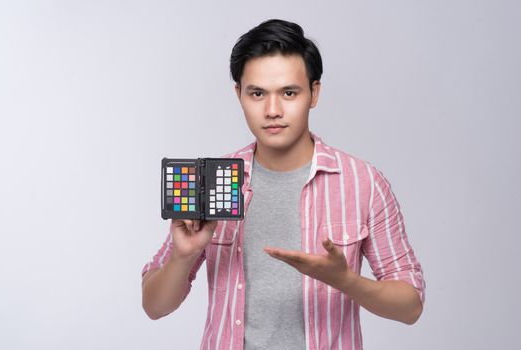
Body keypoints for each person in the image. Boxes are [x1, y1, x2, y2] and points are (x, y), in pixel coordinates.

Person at [141, 19, 425, 350]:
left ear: (314, 93)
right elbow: (154, 306)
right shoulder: (211, 179)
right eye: (257, 94)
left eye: (289, 93)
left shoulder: (363, 182)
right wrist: (182, 255)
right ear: (239, 95)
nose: (273, 110)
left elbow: (410, 306)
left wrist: (348, 282)